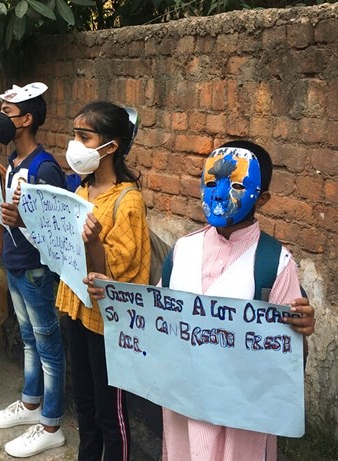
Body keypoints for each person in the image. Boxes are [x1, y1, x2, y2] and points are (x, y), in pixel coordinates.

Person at [86, 140, 315, 461]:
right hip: (183, 407)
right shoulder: (183, 250)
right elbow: (157, 317)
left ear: (262, 198)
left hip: (240, 420)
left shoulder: (275, 263)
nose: (219, 194)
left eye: (236, 186)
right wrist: (114, 296)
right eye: (210, 183)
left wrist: (301, 331)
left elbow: (289, 360)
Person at [56, 101, 150, 461]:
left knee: (111, 412)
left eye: (85, 137)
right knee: (84, 402)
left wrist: (93, 242)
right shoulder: (81, 192)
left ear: (111, 147)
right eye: (74, 135)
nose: (75, 145)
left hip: (107, 324)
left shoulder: (128, 201)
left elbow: (114, 279)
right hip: (77, 312)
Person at [0, 82, 68, 457]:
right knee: (29, 339)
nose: (0, 119)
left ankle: (51, 424)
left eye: (8, 113)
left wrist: (23, 220)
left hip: (36, 271)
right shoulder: (14, 163)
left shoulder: (44, 167)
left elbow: (56, 229)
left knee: (48, 345)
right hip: (15, 265)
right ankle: (31, 403)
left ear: (27, 119)